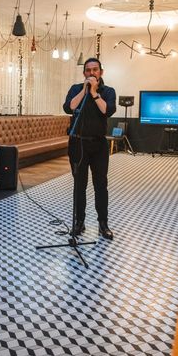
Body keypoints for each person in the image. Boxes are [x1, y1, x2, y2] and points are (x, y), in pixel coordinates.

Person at [63, 57, 116, 239]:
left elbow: (107, 110)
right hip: (77, 144)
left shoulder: (108, 91)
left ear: (101, 72)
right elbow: (69, 107)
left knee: (101, 185)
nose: (91, 73)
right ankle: (79, 222)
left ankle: (103, 223)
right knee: (79, 185)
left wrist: (94, 92)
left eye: (95, 69)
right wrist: (84, 91)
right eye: (88, 70)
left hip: (98, 145)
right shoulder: (76, 89)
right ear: (84, 72)